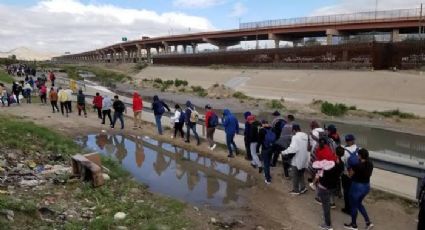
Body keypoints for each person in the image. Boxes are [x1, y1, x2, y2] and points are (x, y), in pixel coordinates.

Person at [344, 148, 374, 230]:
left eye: (358, 155)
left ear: (360, 156)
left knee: (353, 206)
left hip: (356, 187)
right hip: (366, 187)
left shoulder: (356, 165)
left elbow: (350, 175)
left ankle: (353, 225)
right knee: (359, 204)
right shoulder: (370, 163)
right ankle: (368, 222)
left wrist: (346, 172)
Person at [315, 155, 344, 230]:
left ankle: (328, 225)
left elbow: (318, 176)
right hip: (332, 187)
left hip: (324, 188)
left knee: (326, 206)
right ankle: (326, 218)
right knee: (326, 204)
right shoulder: (340, 165)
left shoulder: (325, 168)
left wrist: (314, 181)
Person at [282, 124, 309, 195]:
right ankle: (303, 188)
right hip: (305, 158)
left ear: (294, 130)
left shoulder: (295, 137)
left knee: (295, 175)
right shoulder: (306, 136)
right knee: (301, 174)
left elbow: (293, 149)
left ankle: (296, 190)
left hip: (297, 159)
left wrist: (284, 152)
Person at [341, 134, 360, 215]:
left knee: (346, 192)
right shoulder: (359, 149)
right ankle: (355, 206)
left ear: (346, 141)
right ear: (353, 140)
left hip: (347, 175)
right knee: (354, 191)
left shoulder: (344, 151)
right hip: (356, 174)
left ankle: (348, 209)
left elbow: (342, 163)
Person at [276, 114, 295, 179]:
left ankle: (286, 175)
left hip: (285, 145)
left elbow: (282, 136)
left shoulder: (286, 126)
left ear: (289, 119)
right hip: (292, 145)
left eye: (287, 118)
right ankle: (289, 168)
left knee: (284, 159)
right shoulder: (295, 125)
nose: (286, 119)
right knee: (290, 158)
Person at [259, 120, 276, 184]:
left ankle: (268, 179)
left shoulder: (262, 130)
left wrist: (257, 150)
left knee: (265, 164)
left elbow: (259, 141)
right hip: (271, 148)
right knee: (268, 162)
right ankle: (268, 175)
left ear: (263, 124)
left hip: (265, 149)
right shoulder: (272, 129)